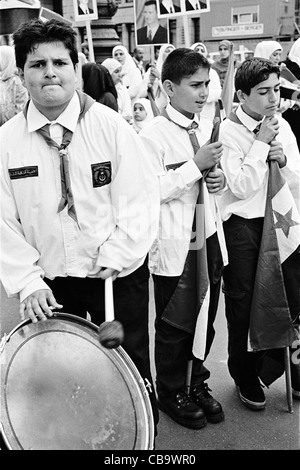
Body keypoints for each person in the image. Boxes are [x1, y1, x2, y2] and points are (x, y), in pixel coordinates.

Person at [0, 18, 160, 433]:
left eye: (59, 62)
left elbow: (140, 199)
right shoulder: (7, 143)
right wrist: (28, 280)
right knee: (61, 375)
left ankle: (138, 438)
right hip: (51, 285)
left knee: (129, 367)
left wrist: (120, 253)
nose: (49, 71)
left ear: (76, 68)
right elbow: (2, 221)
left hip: (115, 278)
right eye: (37, 64)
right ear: (21, 75)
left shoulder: (112, 128)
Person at [139, 48, 227, 429]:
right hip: (176, 243)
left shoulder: (206, 127)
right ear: (169, 88)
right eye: (195, 85)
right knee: (175, 321)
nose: (204, 92)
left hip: (207, 235)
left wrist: (217, 178)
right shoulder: (151, 136)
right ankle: (171, 387)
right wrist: (195, 166)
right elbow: (149, 191)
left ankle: (197, 381)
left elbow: (215, 182)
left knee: (205, 315)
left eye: (206, 84)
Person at [218, 57, 300, 410]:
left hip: (281, 219)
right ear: (241, 95)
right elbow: (239, 185)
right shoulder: (226, 131)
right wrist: (261, 145)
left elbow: (295, 180)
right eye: (263, 92)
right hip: (243, 227)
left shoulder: (281, 124)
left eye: (276, 90)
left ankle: (286, 368)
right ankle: (244, 374)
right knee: (243, 302)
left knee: (289, 297)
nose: (272, 99)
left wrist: (282, 162)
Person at [254, 40, 294, 115]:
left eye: (279, 55)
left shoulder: (277, 71)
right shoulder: (256, 74)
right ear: (265, 54)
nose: (278, 58)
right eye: (275, 55)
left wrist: (291, 102)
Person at [191, 42, 222, 124]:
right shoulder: (185, 72)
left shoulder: (212, 73)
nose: (200, 52)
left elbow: (217, 93)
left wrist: (201, 95)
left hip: (207, 113)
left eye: (202, 50)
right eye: (197, 50)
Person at [0, 45, 28, 126]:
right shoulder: (1, 80)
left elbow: (21, 110)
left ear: (6, 60)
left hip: (12, 128)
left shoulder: (17, 83)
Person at [143, 43, 175, 113]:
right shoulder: (153, 70)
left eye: (172, 52)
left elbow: (173, 93)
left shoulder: (177, 71)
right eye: (167, 51)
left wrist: (159, 77)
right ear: (161, 54)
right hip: (153, 108)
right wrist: (150, 82)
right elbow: (142, 92)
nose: (170, 53)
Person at [102, 57, 133, 124]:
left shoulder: (122, 89)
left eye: (120, 71)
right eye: (116, 72)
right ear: (108, 74)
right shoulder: (102, 91)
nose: (120, 75)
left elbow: (127, 113)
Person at [282, 38, 300, 150]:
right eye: (275, 54)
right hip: (291, 114)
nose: (277, 57)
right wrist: (295, 99)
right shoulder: (287, 68)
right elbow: (281, 91)